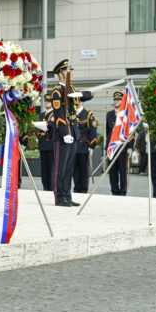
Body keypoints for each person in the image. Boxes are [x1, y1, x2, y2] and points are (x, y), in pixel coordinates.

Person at [50, 59, 93, 206]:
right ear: (61, 74)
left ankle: (67, 195)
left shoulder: (72, 90)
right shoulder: (57, 92)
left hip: (74, 133)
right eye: (69, 71)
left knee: (69, 168)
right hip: (64, 134)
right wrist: (64, 133)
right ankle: (59, 197)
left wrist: (79, 94)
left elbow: (90, 95)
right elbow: (58, 115)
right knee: (60, 168)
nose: (72, 73)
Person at [106, 91, 129, 196]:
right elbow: (108, 132)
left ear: (122, 101)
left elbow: (130, 131)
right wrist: (107, 146)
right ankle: (114, 190)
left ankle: (123, 191)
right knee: (112, 171)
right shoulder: (109, 114)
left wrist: (130, 146)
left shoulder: (125, 114)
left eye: (118, 99)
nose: (116, 101)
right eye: (115, 99)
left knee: (122, 170)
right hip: (112, 147)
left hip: (122, 147)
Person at [73, 101, 97, 193]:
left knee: (83, 170)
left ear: (82, 102)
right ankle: (76, 187)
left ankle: (83, 189)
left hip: (83, 145)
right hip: (73, 145)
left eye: (78, 101)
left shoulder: (88, 115)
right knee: (75, 169)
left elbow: (92, 131)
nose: (76, 103)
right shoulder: (71, 113)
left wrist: (92, 145)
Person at [36, 94, 55, 191]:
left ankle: (51, 188)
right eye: (45, 101)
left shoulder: (55, 114)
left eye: (48, 101)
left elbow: (53, 126)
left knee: (51, 169)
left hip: (51, 144)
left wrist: (47, 125)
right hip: (43, 144)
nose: (46, 102)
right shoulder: (42, 114)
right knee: (44, 170)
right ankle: (45, 187)